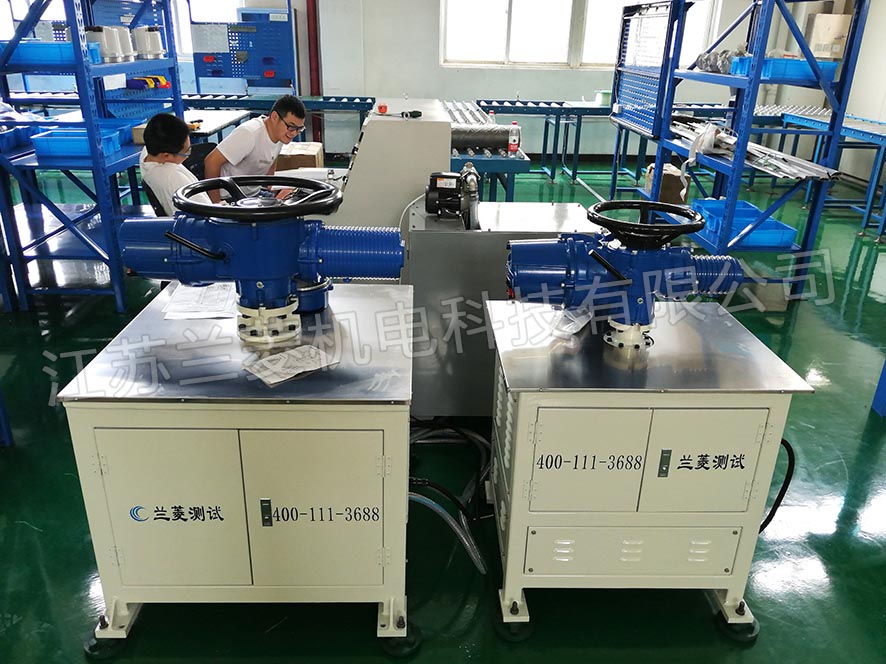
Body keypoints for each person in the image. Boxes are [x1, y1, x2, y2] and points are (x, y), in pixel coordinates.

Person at [203, 94, 307, 203]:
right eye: (291, 127)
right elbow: (211, 161)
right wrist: (217, 204)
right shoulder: (249, 133)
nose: (294, 133)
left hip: (253, 193)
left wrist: (271, 187)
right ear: (275, 117)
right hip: (231, 197)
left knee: (298, 196)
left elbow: (272, 157)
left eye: (299, 129)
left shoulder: (280, 134)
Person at [140, 113, 212, 216]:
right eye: (186, 152)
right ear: (166, 155)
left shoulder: (147, 154)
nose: (188, 155)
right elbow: (207, 215)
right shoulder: (174, 177)